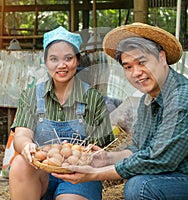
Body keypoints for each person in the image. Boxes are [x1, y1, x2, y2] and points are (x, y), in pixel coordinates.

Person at [53, 23, 188, 200]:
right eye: (128, 67)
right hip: (180, 178)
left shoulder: (185, 99)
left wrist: (95, 174)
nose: (136, 72)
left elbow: (159, 160)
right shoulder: (148, 100)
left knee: (141, 187)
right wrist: (106, 159)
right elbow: (139, 150)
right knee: (139, 182)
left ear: (162, 57)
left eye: (142, 62)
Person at [9, 26, 114, 200]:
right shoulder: (31, 96)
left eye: (68, 58)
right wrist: (26, 145)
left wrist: (80, 153)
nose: (61, 65)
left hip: (80, 176)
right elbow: (21, 135)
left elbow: (101, 148)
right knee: (20, 163)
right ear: (45, 62)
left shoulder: (93, 98)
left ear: (78, 60)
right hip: (40, 172)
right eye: (54, 59)